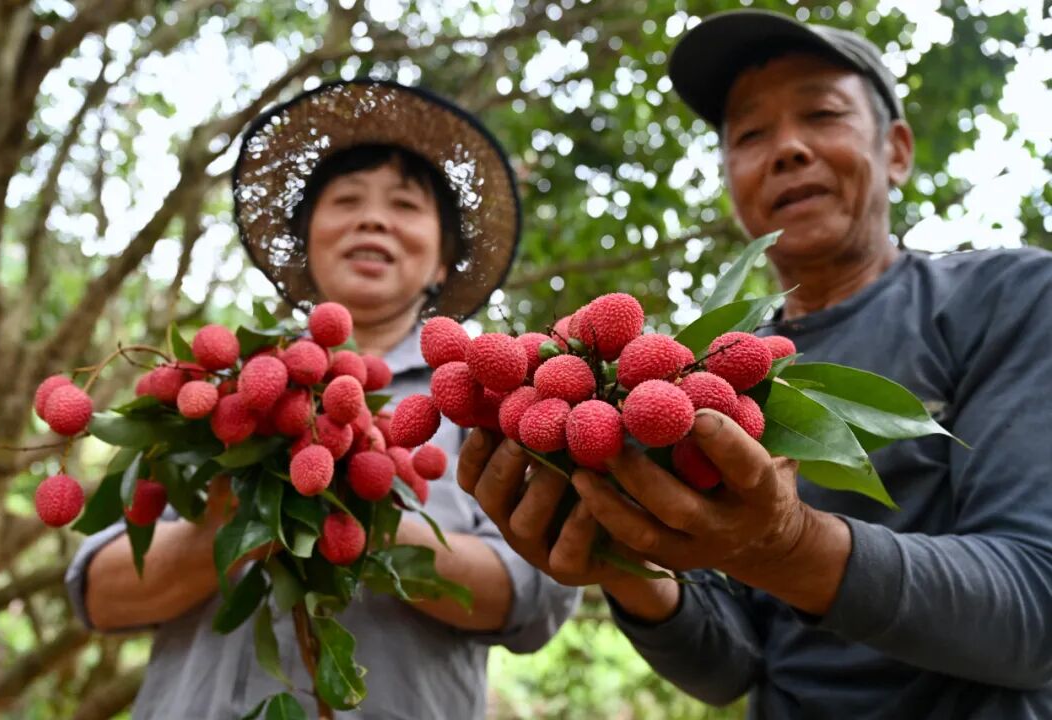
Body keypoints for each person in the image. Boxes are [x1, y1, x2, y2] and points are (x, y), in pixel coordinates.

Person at [457, 9, 1052, 719]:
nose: (788, 149)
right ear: (730, 179)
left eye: (822, 114)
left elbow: (1037, 609)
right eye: (750, 134)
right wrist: (628, 557)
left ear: (896, 150)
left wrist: (789, 546)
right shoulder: (705, 378)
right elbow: (731, 668)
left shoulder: (1009, 297)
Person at [65, 79, 580, 720]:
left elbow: (535, 597)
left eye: (404, 204)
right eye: (347, 200)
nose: (374, 219)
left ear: (442, 263)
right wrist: (238, 522)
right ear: (308, 241)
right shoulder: (226, 390)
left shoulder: (491, 402)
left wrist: (363, 513)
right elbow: (98, 593)